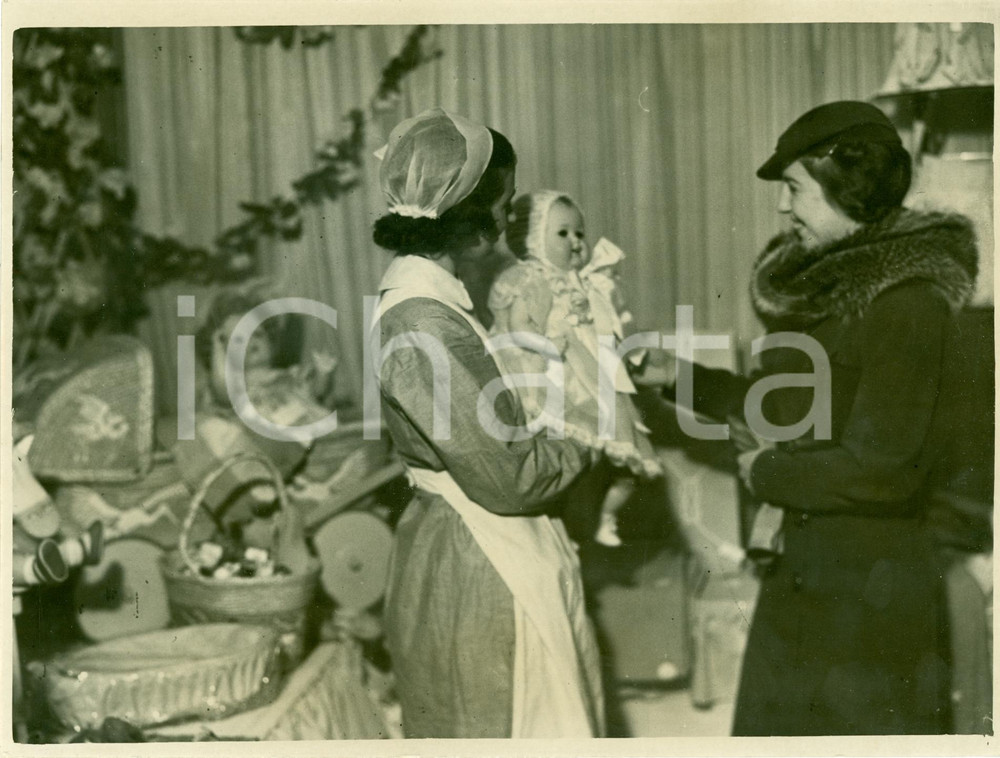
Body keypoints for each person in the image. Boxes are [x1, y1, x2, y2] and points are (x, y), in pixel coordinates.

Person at [658, 101, 978, 735]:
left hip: (869, 596)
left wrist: (763, 472)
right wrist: (676, 379)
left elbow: (882, 469)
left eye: (794, 188)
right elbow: (786, 405)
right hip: (815, 572)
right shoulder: (844, 294)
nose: (783, 207)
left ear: (847, 188)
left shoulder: (907, 306)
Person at [369, 108, 605, 738]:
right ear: (469, 213)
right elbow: (510, 477)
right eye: (502, 200)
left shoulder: (431, 308)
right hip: (479, 558)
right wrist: (588, 436)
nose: (508, 214)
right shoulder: (423, 324)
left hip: (471, 539)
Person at [488, 191, 662, 547]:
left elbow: (605, 324)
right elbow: (518, 327)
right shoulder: (528, 279)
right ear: (534, 239)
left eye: (579, 234)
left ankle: (603, 516)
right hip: (550, 370)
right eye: (563, 234)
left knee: (621, 458)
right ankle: (568, 525)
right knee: (565, 457)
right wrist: (550, 342)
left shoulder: (582, 281)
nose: (576, 242)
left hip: (588, 370)